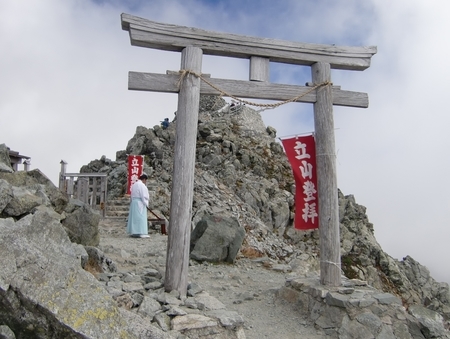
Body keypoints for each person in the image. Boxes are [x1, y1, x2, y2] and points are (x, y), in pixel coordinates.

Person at [127, 173, 150, 238]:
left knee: (134, 218)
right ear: (144, 179)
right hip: (140, 202)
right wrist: (145, 202)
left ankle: (134, 232)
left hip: (134, 202)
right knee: (141, 217)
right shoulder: (142, 185)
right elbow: (143, 195)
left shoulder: (134, 185)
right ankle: (141, 232)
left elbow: (131, 195)